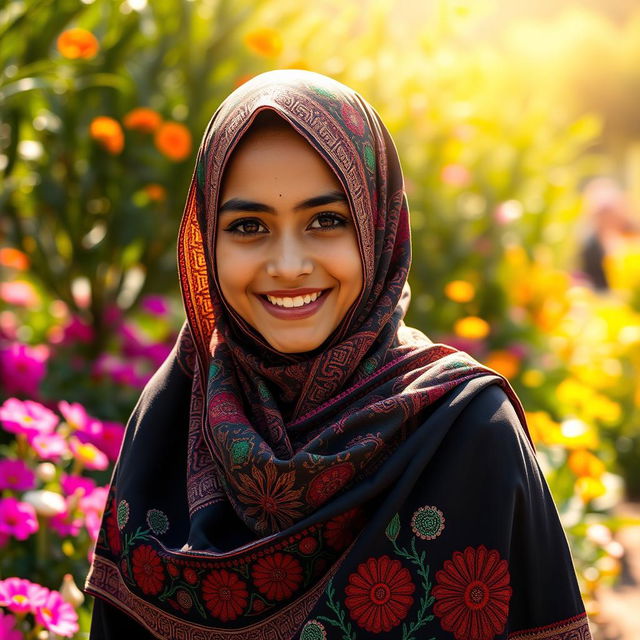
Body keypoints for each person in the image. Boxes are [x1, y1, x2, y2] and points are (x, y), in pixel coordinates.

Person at [85, 70, 592, 640]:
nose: (288, 264)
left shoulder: (464, 430)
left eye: (326, 220)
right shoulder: (175, 410)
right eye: (249, 226)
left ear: (377, 225)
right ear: (206, 239)